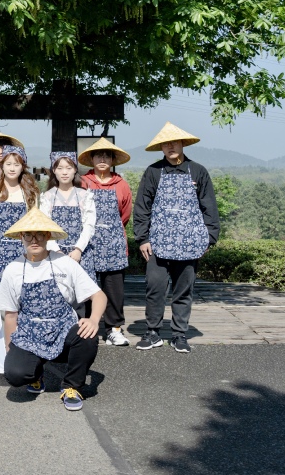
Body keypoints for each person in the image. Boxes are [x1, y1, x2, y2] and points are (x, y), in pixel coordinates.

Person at [0, 208, 107, 411]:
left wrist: (93, 320)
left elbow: (99, 296)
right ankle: (35, 374)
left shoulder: (64, 263)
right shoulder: (13, 269)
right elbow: (11, 315)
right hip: (30, 334)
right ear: (21, 237)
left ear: (48, 236)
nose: (34, 240)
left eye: (40, 234)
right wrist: (9, 348)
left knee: (87, 335)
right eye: (28, 235)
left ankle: (72, 386)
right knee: (15, 375)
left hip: (63, 329)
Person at [133, 122, 220, 353]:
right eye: (166, 144)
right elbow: (142, 207)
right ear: (161, 147)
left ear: (182, 144)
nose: (170, 147)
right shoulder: (153, 172)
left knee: (183, 291)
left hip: (190, 242)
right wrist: (143, 238)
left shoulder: (198, 171)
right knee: (155, 287)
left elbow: (209, 207)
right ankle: (152, 332)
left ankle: (179, 334)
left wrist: (209, 238)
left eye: (174, 142)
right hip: (157, 242)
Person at [78, 137, 133, 347]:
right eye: (98, 156)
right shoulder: (83, 182)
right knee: (86, 287)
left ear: (112, 160)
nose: (102, 159)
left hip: (114, 244)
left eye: (107, 156)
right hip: (87, 244)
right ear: (91, 159)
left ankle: (114, 329)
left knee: (114, 289)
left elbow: (125, 215)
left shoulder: (122, 184)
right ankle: (86, 328)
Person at [0, 145, 38, 286]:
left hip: (24, 248)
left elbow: (36, 222)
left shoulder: (30, 192)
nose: (12, 169)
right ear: (2, 166)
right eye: (8, 164)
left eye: (16, 165)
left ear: (22, 167)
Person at [41, 151, 97, 284]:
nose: (64, 172)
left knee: (83, 292)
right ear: (54, 170)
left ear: (75, 170)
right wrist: (57, 251)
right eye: (60, 168)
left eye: (69, 168)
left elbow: (89, 226)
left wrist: (78, 249)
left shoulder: (85, 196)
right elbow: (44, 227)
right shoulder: (47, 197)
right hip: (54, 255)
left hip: (81, 254)